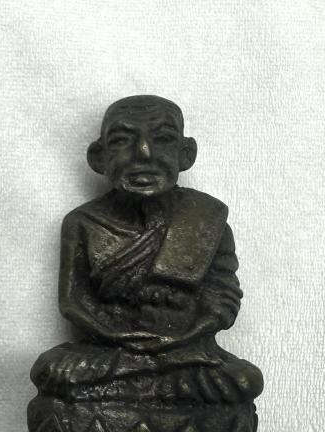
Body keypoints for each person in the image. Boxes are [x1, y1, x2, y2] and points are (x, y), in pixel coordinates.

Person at [31, 95, 263, 405]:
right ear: (98, 157)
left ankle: (146, 384)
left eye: (162, 139)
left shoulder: (206, 220)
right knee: (52, 371)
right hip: (111, 349)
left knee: (243, 380)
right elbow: (73, 302)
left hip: (186, 352)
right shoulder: (82, 223)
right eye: (122, 141)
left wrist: (183, 337)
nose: (143, 153)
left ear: (186, 154)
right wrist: (114, 336)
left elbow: (222, 299)